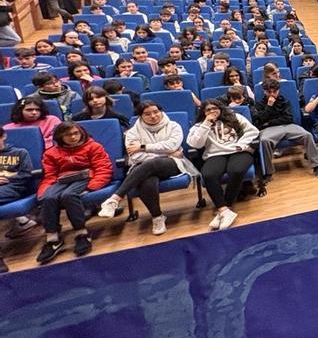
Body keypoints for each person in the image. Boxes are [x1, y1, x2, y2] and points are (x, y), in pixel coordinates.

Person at [96, 101, 199, 235]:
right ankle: (157, 217)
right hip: (145, 167)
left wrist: (143, 147)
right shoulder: (132, 133)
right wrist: (164, 153)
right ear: (140, 116)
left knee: (151, 165)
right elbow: (136, 157)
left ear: (161, 111)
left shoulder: (174, 126)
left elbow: (172, 146)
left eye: (156, 112)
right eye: (147, 114)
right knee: (147, 179)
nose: (153, 116)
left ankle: (115, 198)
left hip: (172, 164)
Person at [35, 122, 113, 264]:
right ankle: (53, 239)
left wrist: (92, 187)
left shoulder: (93, 146)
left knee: (68, 196)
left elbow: (103, 168)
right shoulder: (51, 153)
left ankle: (81, 233)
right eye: (68, 135)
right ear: (60, 137)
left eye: (75, 133)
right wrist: (43, 190)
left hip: (85, 177)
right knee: (48, 197)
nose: (73, 137)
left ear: (81, 133)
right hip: (62, 180)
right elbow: (50, 176)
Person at [187, 100, 259, 230]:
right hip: (215, 154)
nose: (212, 111)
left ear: (220, 109)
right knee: (208, 174)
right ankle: (224, 210)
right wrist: (206, 124)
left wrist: (241, 144)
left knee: (236, 170)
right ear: (203, 112)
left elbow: (253, 131)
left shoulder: (235, 117)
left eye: (214, 108)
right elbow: (195, 144)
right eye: (208, 110)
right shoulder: (199, 126)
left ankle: (225, 208)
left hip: (238, 150)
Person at [252, 79, 318, 179]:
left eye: (275, 91)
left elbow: (288, 118)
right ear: (264, 92)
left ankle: (317, 166)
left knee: (307, 135)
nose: (272, 94)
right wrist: (269, 107)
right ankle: (268, 172)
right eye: (269, 92)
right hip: (270, 129)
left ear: (278, 90)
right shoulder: (260, 105)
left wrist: (269, 122)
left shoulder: (284, 101)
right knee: (264, 141)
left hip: (288, 126)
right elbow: (259, 121)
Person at [0, 127, 37, 258]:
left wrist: (8, 178)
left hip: (14, 187)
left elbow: (26, 174)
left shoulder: (20, 152)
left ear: (3, 136)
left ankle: (22, 222)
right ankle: (22, 222)